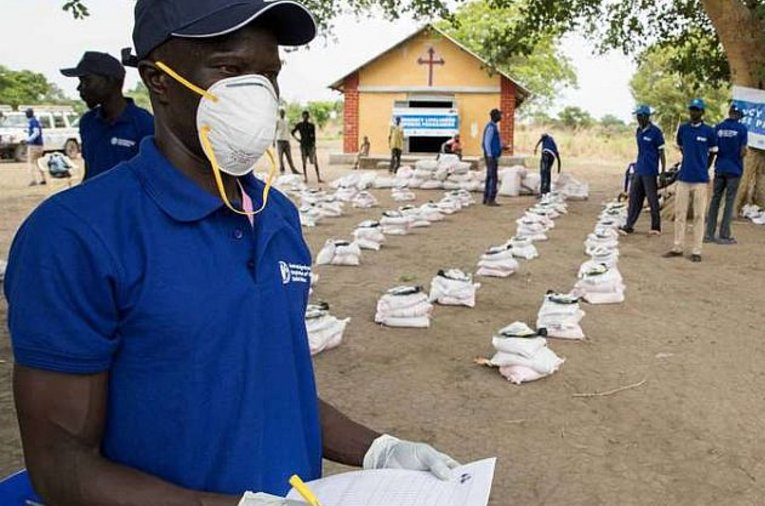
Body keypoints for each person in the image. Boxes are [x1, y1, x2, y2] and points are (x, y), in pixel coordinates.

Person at [5, 2, 459, 504]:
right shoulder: (76, 236)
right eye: (229, 70)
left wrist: (379, 450)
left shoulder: (277, 216)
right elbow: (60, 465)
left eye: (269, 74)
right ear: (159, 80)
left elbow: (269, 382)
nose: (257, 94)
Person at [61, 51, 155, 181]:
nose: (79, 88)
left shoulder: (144, 124)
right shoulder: (87, 122)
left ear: (110, 81)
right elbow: (91, 170)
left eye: (86, 80)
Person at [664, 98, 718, 263]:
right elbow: (681, 147)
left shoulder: (709, 131)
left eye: (697, 110)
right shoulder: (684, 129)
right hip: (683, 178)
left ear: (702, 112)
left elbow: (713, 152)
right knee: (680, 214)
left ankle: (697, 250)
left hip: (700, 180)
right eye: (692, 109)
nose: (694, 112)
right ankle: (677, 247)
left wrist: (704, 167)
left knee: (699, 216)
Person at [705, 104, 749, 244]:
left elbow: (713, 149)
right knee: (729, 202)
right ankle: (724, 234)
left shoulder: (717, 128)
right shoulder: (742, 129)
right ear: (739, 115)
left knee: (715, 200)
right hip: (734, 170)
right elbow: (742, 152)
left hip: (720, 167)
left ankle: (709, 234)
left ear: (729, 113)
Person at [621, 105, 666, 235]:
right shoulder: (638, 131)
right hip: (639, 169)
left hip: (650, 171)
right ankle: (629, 225)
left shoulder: (656, 132)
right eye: (637, 116)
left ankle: (655, 227)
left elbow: (662, 152)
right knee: (634, 198)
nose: (638, 118)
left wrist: (662, 172)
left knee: (652, 200)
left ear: (647, 116)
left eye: (640, 116)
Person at [292, 110, 322, 183]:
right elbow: (292, 132)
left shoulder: (311, 126)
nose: (305, 117)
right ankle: (306, 178)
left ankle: (318, 178)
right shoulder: (299, 125)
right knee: (304, 162)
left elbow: (314, 137)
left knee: (315, 161)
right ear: (302, 116)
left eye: (306, 116)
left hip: (310, 145)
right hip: (303, 145)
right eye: (304, 116)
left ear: (308, 117)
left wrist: (314, 146)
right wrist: (298, 140)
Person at [482, 108, 503, 206]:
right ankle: (491, 199)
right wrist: (489, 155)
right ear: (495, 116)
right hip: (491, 156)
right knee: (493, 177)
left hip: (492, 154)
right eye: (499, 115)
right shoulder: (491, 127)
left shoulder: (494, 126)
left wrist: (502, 146)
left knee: (490, 176)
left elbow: (494, 141)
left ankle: (486, 198)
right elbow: (487, 142)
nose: (501, 116)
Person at [23, 108, 47, 186]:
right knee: (39, 162)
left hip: (34, 145)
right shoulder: (36, 121)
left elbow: (36, 132)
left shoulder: (32, 122)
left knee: (31, 162)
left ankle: (33, 180)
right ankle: (43, 178)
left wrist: (28, 140)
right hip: (40, 145)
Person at [533, 133, 562, 197]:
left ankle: (542, 192)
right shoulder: (553, 143)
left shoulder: (545, 137)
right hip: (552, 156)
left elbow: (540, 140)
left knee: (543, 172)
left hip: (546, 154)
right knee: (548, 172)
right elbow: (558, 158)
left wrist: (535, 148)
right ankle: (548, 190)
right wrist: (558, 170)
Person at [275, 108, 300, 175]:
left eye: (283, 112)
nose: (282, 113)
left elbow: (289, 129)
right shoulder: (277, 120)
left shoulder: (287, 120)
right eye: (281, 112)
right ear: (279, 113)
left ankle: (294, 170)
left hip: (286, 140)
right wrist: (273, 141)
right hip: (280, 140)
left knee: (289, 156)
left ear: (284, 113)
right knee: (280, 157)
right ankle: (282, 170)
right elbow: (275, 130)